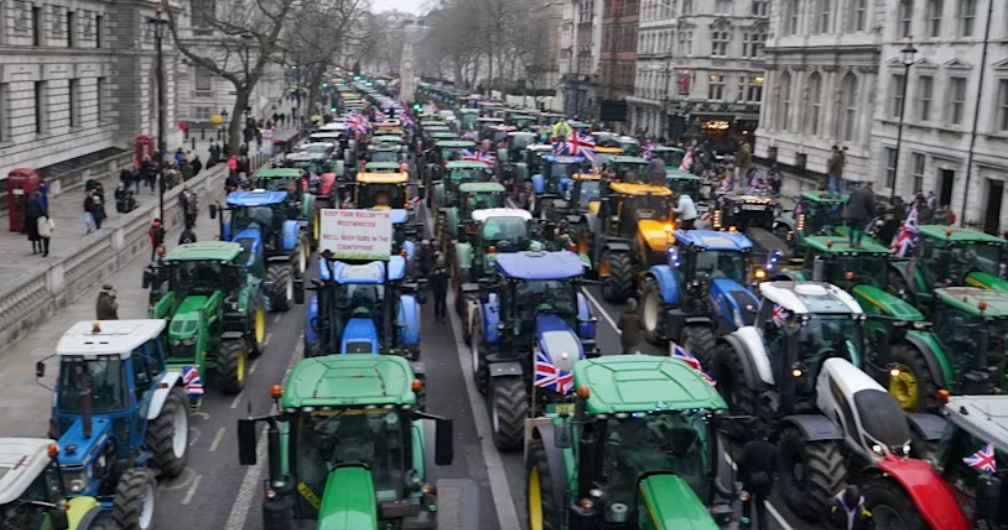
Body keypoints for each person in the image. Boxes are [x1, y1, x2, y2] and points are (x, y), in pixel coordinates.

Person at [737, 428, 777, 530]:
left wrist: (743, 475)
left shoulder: (749, 446)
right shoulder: (772, 448)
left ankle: (746, 524)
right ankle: (763, 527)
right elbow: (776, 466)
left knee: (746, 503)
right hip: (764, 483)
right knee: (760, 504)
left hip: (747, 482)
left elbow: (740, 461)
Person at [844, 181, 875, 248]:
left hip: (851, 214)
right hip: (862, 215)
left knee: (852, 228)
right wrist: (873, 215)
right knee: (861, 229)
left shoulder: (856, 191)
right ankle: (858, 243)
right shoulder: (869, 194)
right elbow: (870, 206)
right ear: (870, 186)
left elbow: (847, 202)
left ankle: (851, 243)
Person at [430, 255, 448, 322]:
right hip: (436, 289)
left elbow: (449, 275)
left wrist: (445, 272)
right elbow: (430, 276)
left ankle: (443, 316)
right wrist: (435, 274)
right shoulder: (434, 269)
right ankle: (436, 315)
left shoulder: (445, 268)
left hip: (443, 288)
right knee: (436, 302)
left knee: (443, 303)